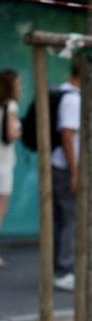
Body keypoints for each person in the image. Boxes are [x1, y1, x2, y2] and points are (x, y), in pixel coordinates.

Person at [51, 60, 81, 291]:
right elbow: (67, 135)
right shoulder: (72, 99)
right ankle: (63, 269)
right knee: (68, 219)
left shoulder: (65, 94)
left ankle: (60, 268)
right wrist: (75, 171)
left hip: (61, 166)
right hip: (64, 167)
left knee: (63, 219)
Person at [0, 69, 22, 266]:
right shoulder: (11, 106)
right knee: (0, 209)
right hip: (4, 164)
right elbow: (10, 133)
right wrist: (18, 131)